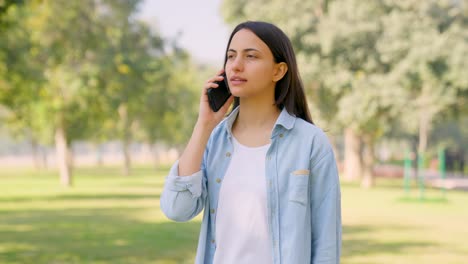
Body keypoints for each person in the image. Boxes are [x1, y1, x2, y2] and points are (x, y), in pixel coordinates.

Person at [160, 21, 341, 264]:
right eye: (231, 56)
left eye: (251, 56)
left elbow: (326, 245)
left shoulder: (310, 142)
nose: (236, 65)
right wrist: (204, 125)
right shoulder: (215, 139)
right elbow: (177, 209)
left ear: (279, 71)